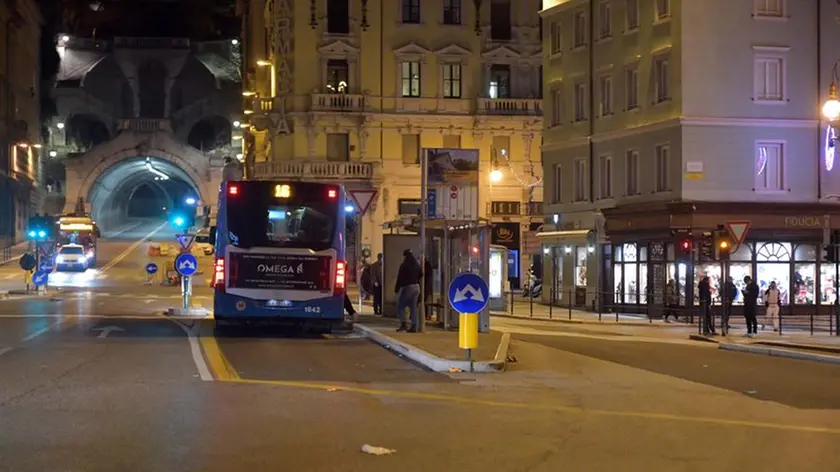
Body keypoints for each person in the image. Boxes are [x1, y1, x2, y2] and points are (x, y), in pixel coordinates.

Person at [394, 249, 421, 332]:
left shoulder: (404, 265)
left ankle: (403, 324)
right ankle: (414, 326)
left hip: (408, 288)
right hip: (416, 287)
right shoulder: (416, 265)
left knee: (400, 306)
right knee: (413, 307)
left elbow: (400, 278)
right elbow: (421, 274)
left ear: (405, 256)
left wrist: (397, 288)